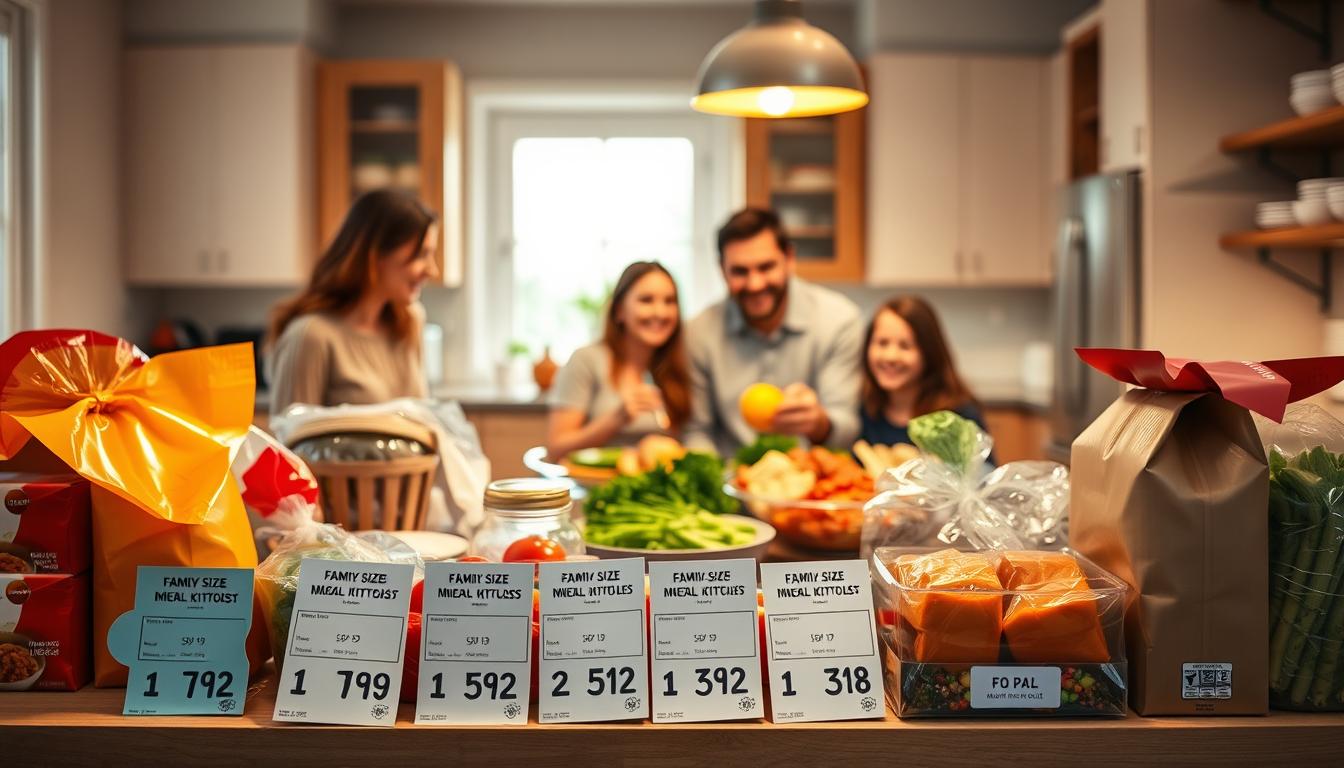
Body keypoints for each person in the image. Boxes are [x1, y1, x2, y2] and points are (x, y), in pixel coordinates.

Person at [685, 207, 863, 457]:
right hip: (729, 483)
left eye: (766, 267)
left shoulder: (839, 321)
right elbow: (696, 431)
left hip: (811, 485)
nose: (755, 284)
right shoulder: (698, 333)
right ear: (722, 270)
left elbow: (846, 426)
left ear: (789, 258)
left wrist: (818, 423)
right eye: (740, 271)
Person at [267, 189, 439, 418]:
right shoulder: (311, 336)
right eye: (421, 255)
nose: (432, 270)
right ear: (374, 254)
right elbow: (287, 444)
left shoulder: (410, 321)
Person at [546, 261, 691, 458]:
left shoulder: (679, 365)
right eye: (646, 300)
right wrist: (615, 420)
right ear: (619, 311)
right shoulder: (586, 360)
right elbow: (556, 449)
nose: (660, 312)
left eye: (669, 301)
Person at [860, 295, 990, 450]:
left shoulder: (956, 419)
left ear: (928, 352)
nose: (891, 356)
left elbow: (985, 472)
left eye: (905, 346)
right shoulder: (863, 410)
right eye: (882, 343)